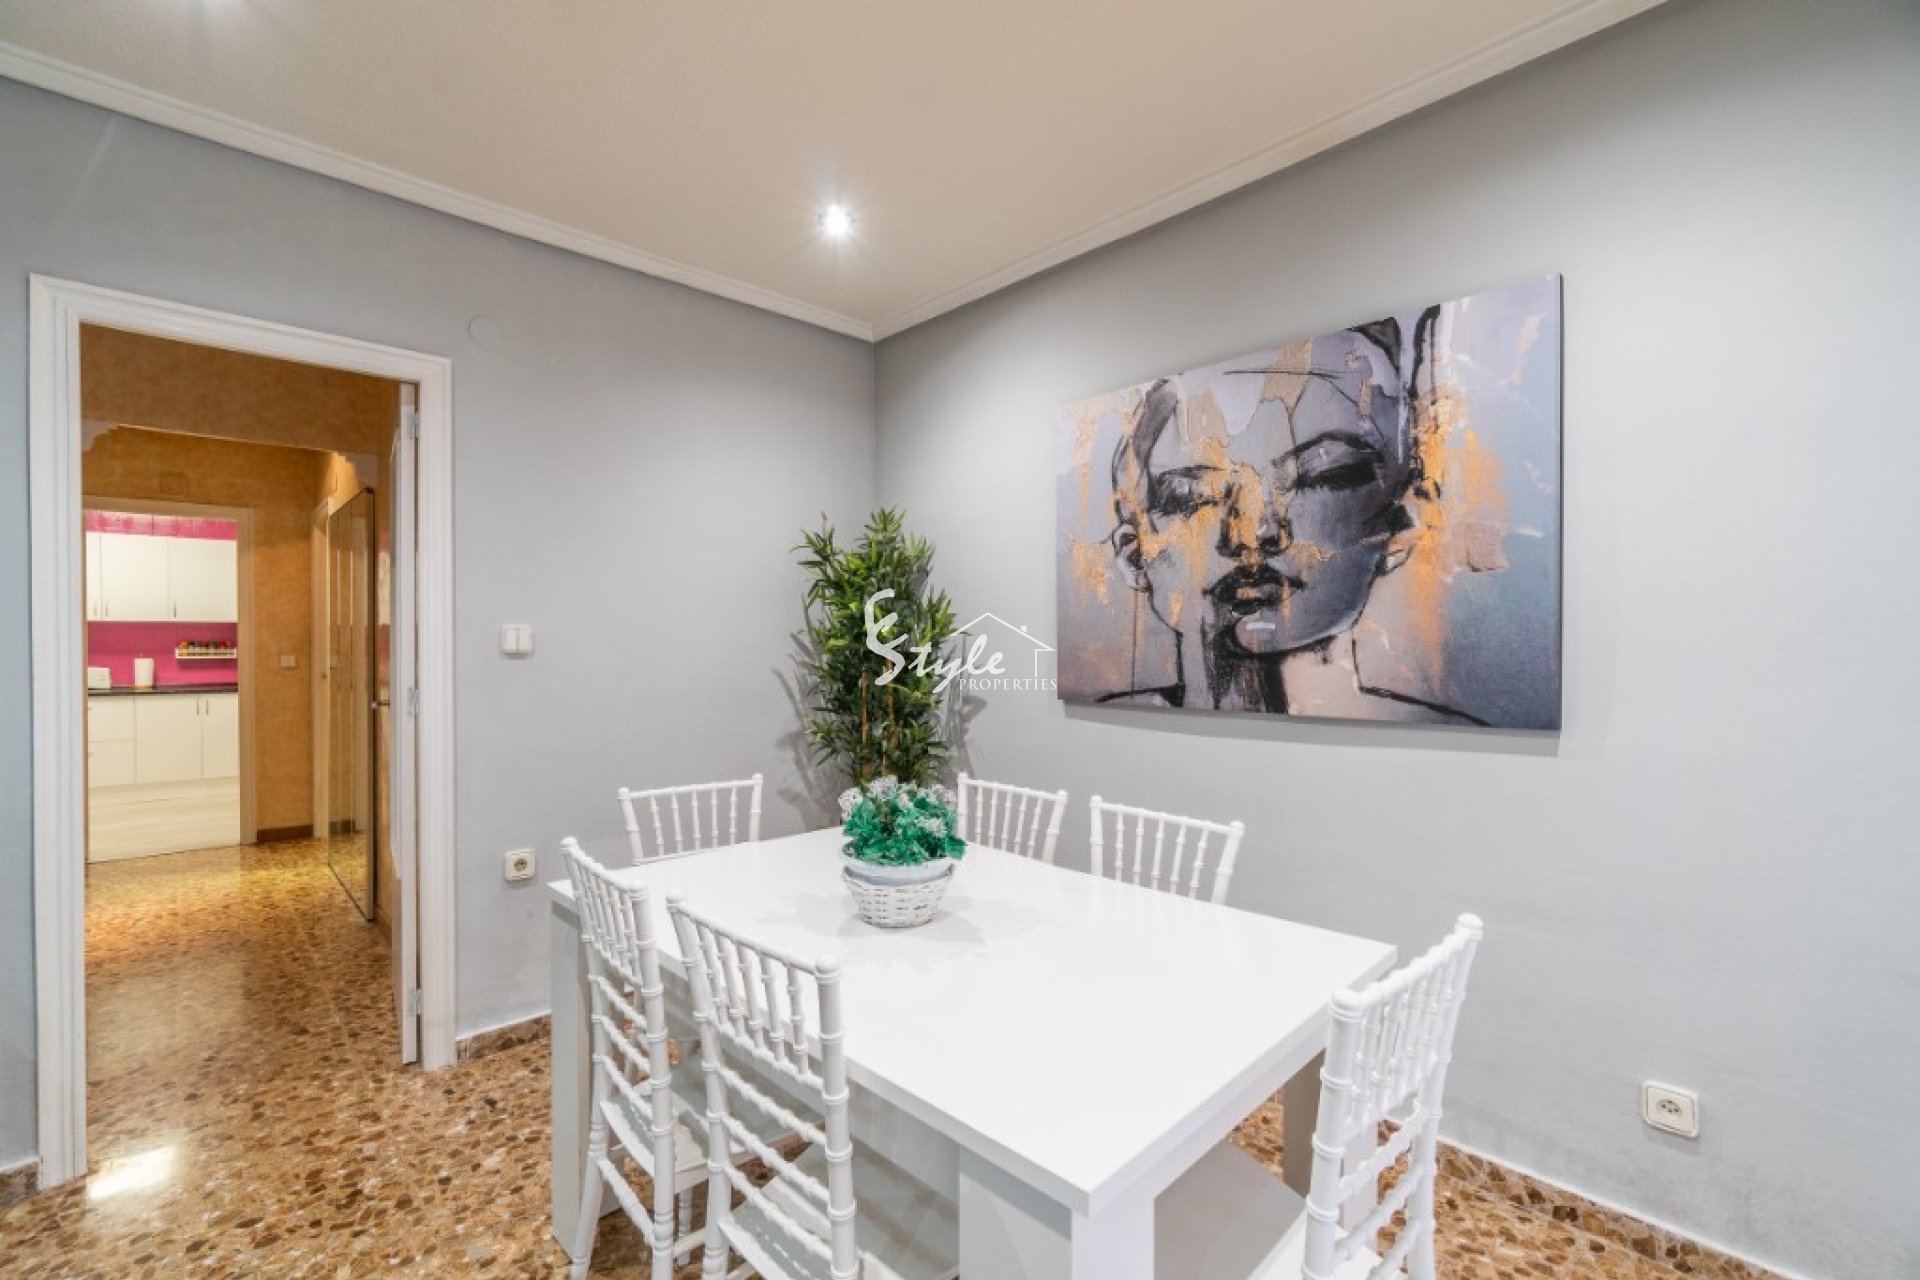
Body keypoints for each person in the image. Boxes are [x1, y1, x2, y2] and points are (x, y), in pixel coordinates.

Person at [1102, 309, 1484, 723]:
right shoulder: (1108, 736)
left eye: (1323, 478)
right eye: (1196, 495)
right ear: (1134, 551)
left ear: (1401, 525)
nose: (1252, 533)